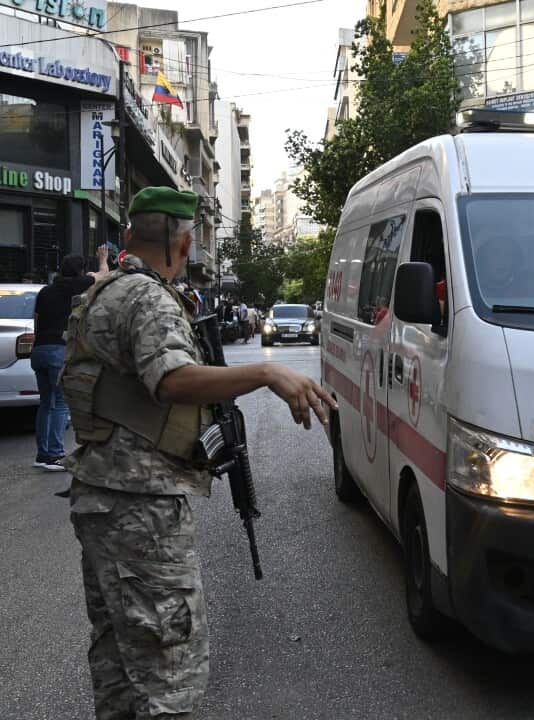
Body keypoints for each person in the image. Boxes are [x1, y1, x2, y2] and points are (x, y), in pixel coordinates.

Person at [62, 187, 336, 719]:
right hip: (140, 503)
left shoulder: (106, 292)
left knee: (119, 660)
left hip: (104, 496)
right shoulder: (146, 298)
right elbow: (172, 378)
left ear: (128, 236)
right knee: (168, 674)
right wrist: (265, 372)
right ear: (185, 242)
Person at [30, 247, 108, 471]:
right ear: (80, 271)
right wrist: (102, 259)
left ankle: (42, 454)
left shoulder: (45, 291)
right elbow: (104, 275)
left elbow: (36, 320)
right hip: (57, 350)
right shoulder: (75, 286)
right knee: (60, 403)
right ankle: (55, 455)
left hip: (39, 350)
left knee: (45, 403)